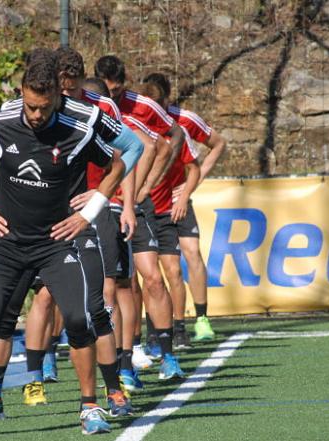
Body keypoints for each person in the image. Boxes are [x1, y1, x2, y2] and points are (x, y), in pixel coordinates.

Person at [0, 57, 143, 439]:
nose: (36, 114)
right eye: (31, 105)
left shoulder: (78, 126)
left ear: (57, 98)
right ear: (22, 94)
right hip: (7, 243)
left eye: (44, 106)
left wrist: (93, 208)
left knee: (81, 319)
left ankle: (91, 405)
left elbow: (118, 162)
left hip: (56, 242)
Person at [95, 56, 186, 380]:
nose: (113, 94)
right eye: (108, 89)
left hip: (135, 204)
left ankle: (168, 354)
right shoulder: (92, 109)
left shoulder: (142, 107)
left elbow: (164, 141)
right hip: (105, 206)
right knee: (122, 284)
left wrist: (146, 186)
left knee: (153, 277)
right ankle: (125, 361)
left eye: (117, 88)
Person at [143, 72, 228, 342]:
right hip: (151, 201)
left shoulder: (185, 120)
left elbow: (218, 144)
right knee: (153, 267)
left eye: (160, 103)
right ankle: (156, 328)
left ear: (168, 99)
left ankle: (201, 318)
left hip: (179, 197)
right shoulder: (141, 120)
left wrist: (192, 185)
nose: (155, 110)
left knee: (191, 252)